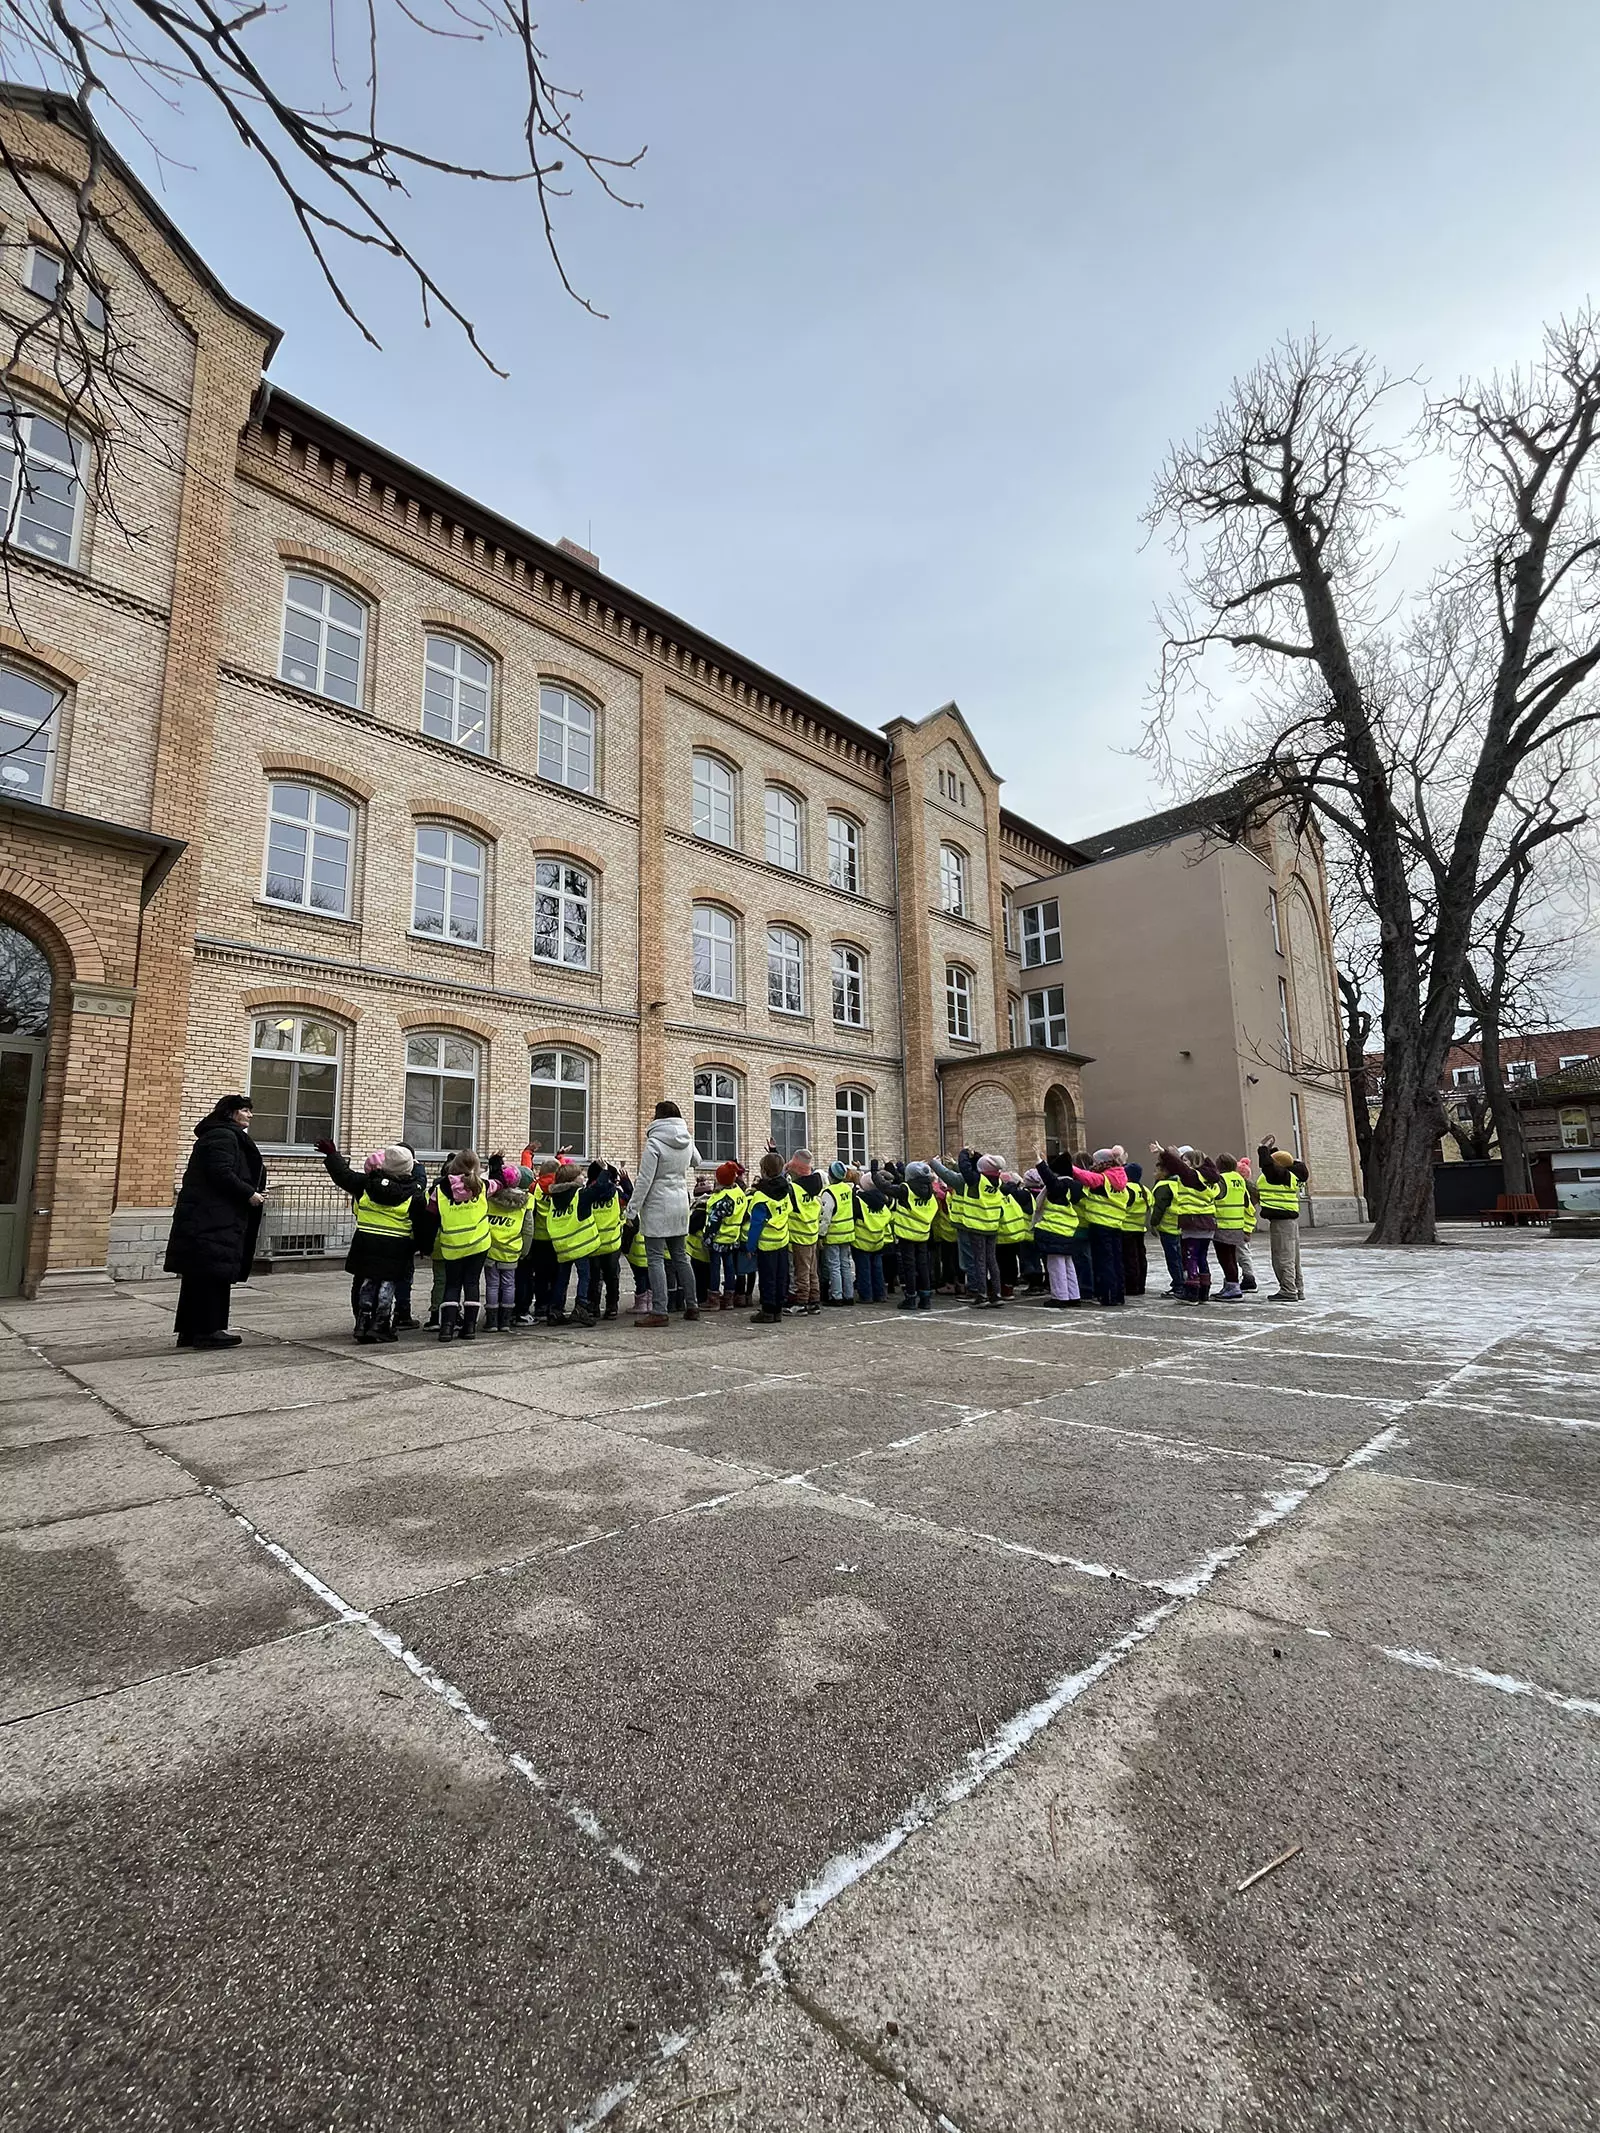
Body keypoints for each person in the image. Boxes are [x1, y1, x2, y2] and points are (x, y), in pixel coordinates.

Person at [165, 1094, 265, 1349]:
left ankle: (190, 1330)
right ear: (231, 1113)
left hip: (210, 1218)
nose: (250, 1115)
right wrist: (249, 1193)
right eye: (245, 1110)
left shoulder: (218, 1135)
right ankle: (208, 1330)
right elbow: (221, 1172)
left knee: (200, 1276)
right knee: (212, 1274)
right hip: (214, 1219)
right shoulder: (223, 1136)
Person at [315, 1137, 424, 1341]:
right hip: (396, 1246)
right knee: (387, 1285)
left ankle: (362, 1322)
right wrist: (422, 1246)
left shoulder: (366, 1184)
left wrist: (332, 1155)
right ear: (409, 1167)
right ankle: (381, 1324)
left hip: (365, 1243)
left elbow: (343, 1176)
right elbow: (421, 1223)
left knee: (366, 1282)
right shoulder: (413, 1192)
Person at [627, 1100, 702, 1328]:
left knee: (656, 1258)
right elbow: (697, 1161)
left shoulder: (654, 1142)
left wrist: (632, 1208)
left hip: (658, 1204)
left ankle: (660, 1309)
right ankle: (692, 1304)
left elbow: (644, 1180)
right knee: (680, 1256)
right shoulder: (686, 1137)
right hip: (680, 1201)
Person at [431, 1149, 490, 1340]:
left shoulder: (439, 1190)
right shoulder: (483, 1186)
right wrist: (496, 1163)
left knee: (452, 1285)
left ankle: (447, 1327)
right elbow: (503, 1181)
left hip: (452, 1245)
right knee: (472, 1282)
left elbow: (430, 1214)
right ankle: (470, 1327)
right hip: (478, 1243)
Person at [1153, 1143, 1220, 1303]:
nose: (1184, 1164)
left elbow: (1179, 1167)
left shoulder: (1193, 1176)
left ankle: (1192, 1292)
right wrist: (1200, 1156)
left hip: (1193, 1220)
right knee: (1202, 1257)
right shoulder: (1209, 1176)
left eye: (1186, 1161)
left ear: (1193, 1163)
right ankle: (1204, 1290)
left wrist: (1166, 1153)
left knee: (1191, 1257)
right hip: (1208, 1221)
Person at [1073, 1146, 1131, 1307]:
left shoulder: (1103, 1179)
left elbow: (1087, 1177)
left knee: (1104, 1262)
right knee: (1117, 1261)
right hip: (1116, 1225)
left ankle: (1107, 1296)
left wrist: (1069, 1167)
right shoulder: (1121, 1178)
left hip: (1100, 1225)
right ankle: (1118, 1295)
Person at [482, 1162, 533, 1331]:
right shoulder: (525, 1202)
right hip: (512, 1250)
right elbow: (528, 1230)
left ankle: (491, 1321)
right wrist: (524, 1250)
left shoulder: (490, 1199)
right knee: (509, 1285)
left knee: (492, 1285)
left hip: (490, 1248)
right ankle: (505, 1321)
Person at [1257, 1139, 1310, 1300]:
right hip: (1289, 1220)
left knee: (1282, 1257)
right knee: (1293, 1258)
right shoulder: (1292, 1175)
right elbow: (1275, 1162)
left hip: (1281, 1221)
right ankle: (1297, 1288)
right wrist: (1272, 1150)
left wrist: (1263, 1150)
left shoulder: (1282, 1176)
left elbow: (1268, 1167)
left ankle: (1288, 1290)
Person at [573, 1161, 624, 1325]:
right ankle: (612, 1307)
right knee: (612, 1277)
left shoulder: (587, 1194)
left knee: (594, 1278)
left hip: (593, 1242)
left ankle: (593, 1306)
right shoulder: (616, 1193)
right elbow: (629, 1197)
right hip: (612, 1243)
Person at [745, 1150, 792, 1322]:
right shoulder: (786, 1189)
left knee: (767, 1278)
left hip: (766, 1244)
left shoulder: (761, 1195)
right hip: (782, 1240)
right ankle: (778, 1309)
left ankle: (767, 1310)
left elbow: (756, 1224)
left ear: (763, 1171)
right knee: (781, 1276)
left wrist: (750, 1246)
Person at [1030, 1159, 1082, 1305]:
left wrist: (1040, 1163)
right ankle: (1073, 1295)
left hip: (1054, 1230)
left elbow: (1049, 1179)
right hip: (1068, 1230)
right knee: (1068, 1264)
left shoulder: (1059, 1186)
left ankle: (1060, 1296)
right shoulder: (1075, 1186)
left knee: (1055, 1266)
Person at [704, 1162, 748, 1310]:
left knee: (715, 1268)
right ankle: (729, 1298)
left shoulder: (721, 1199)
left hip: (718, 1238)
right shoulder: (739, 1194)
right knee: (729, 1267)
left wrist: (707, 1239)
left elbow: (714, 1222)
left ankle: (714, 1299)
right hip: (733, 1237)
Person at [785, 1150, 825, 1313]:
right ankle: (814, 1301)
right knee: (812, 1271)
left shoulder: (794, 1189)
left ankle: (801, 1303)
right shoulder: (817, 1184)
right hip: (811, 1234)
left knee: (801, 1272)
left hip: (798, 1236)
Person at [1209, 1154, 1252, 1301]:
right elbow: (1248, 1205)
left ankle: (1233, 1288)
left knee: (1225, 1258)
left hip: (1222, 1225)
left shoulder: (1221, 1180)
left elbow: (1211, 1196)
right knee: (1231, 1257)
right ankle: (1231, 1285)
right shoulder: (1240, 1180)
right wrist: (1248, 1228)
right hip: (1237, 1225)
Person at [820, 1160, 857, 1304]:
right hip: (847, 1232)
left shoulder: (829, 1192)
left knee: (834, 1266)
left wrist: (821, 1234)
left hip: (834, 1234)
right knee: (845, 1265)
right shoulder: (848, 1189)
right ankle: (849, 1295)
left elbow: (825, 1216)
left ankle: (837, 1296)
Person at [1149, 1150, 1184, 1296]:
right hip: (1179, 1225)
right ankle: (1181, 1282)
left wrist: (1153, 1224)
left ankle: (1178, 1285)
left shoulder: (1163, 1186)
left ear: (1164, 1171)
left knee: (1173, 1259)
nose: (1155, 1172)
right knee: (1179, 1258)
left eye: (1157, 1169)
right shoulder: (1178, 1183)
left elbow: (1159, 1208)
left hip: (1167, 1227)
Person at [853, 1171, 892, 1302]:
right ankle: (880, 1294)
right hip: (878, 1240)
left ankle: (866, 1295)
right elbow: (887, 1216)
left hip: (862, 1241)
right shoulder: (883, 1201)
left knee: (864, 1270)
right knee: (877, 1269)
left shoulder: (860, 1200)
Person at [1119, 1159, 1150, 1298]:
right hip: (1140, 1228)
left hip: (1126, 1228)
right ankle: (1140, 1285)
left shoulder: (1126, 1189)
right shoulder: (1145, 1190)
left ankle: (1131, 1286)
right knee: (1141, 1258)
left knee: (1130, 1259)